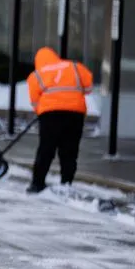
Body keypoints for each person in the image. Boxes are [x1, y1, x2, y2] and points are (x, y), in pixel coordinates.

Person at [26, 46, 94, 194]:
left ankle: (37, 184)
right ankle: (66, 183)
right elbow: (88, 87)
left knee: (46, 149)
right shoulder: (74, 67)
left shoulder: (37, 75)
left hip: (50, 116)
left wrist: (42, 112)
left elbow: (35, 103)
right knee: (69, 150)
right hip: (75, 114)